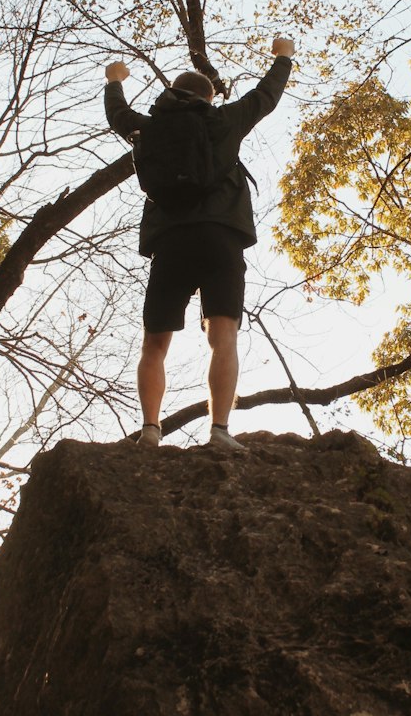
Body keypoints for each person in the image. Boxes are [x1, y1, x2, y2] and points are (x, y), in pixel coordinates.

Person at [104, 37, 295, 450]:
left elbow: (116, 114)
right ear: (209, 97)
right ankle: (219, 431)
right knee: (223, 336)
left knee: (154, 342)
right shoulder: (223, 121)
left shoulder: (149, 128)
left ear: (172, 92)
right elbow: (266, 95)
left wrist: (114, 80)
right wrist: (283, 56)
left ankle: (151, 431)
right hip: (220, 235)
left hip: (169, 241)